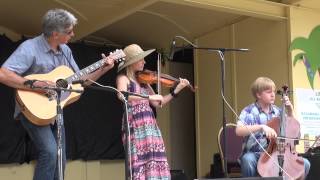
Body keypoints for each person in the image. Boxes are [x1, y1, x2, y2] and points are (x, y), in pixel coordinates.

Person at [0, 9, 115, 180]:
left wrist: (103, 68)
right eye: (69, 32)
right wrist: (36, 85)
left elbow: (80, 82)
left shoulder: (66, 51)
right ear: (55, 34)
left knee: (60, 158)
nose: (73, 34)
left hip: (54, 111)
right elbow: (3, 74)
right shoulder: (30, 48)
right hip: (32, 110)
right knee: (50, 152)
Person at [116, 44, 190, 179]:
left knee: (154, 160)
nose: (144, 62)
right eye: (141, 59)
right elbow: (122, 95)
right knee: (139, 161)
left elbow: (157, 102)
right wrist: (148, 97)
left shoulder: (144, 81)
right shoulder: (124, 78)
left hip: (150, 127)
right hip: (135, 125)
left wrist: (176, 90)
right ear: (132, 62)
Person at [235, 77, 310, 178]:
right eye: (268, 92)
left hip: (277, 154)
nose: (273, 94)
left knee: (305, 164)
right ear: (258, 94)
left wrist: (290, 111)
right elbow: (238, 131)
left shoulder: (278, 111)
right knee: (247, 159)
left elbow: (295, 132)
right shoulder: (248, 111)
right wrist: (262, 127)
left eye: (274, 92)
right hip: (256, 154)